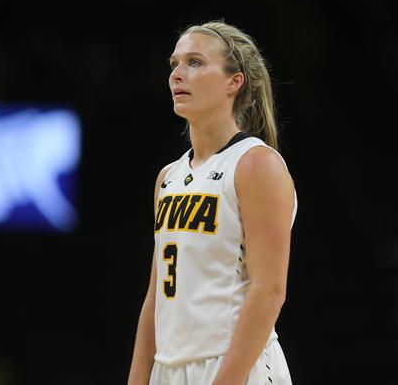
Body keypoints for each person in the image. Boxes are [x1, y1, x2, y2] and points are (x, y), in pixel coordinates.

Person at [127, 20, 297, 385]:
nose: (177, 74)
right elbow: (155, 297)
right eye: (174, 64)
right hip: (169, 368)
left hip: (235, 367)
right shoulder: (168, 177)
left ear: (233, 82)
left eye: (194, 62)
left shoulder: (255, 165)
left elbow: (269, 292)